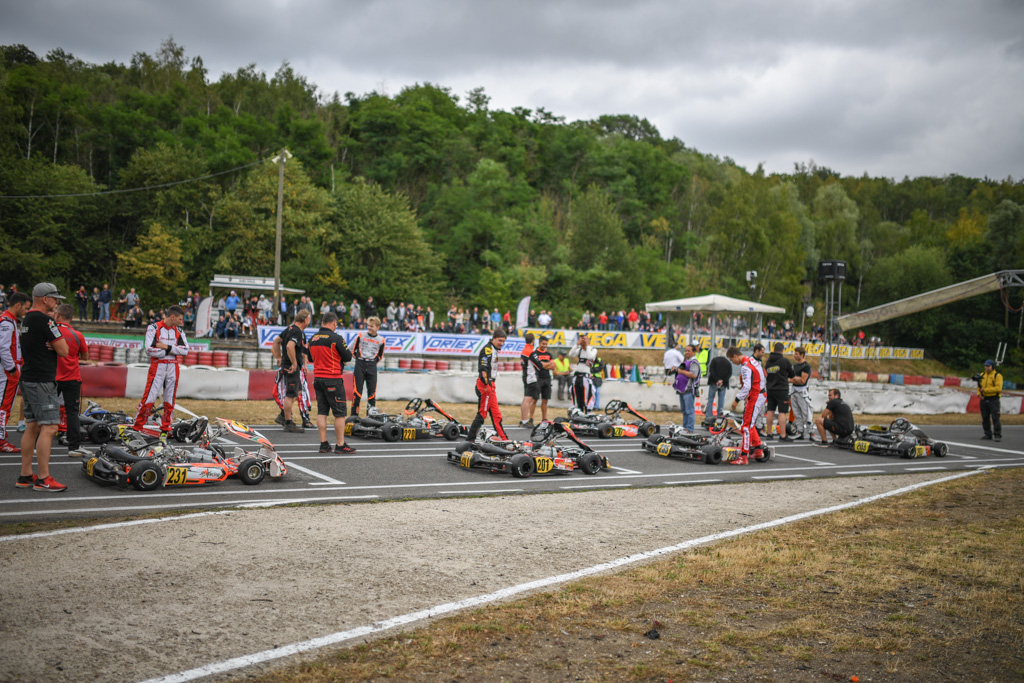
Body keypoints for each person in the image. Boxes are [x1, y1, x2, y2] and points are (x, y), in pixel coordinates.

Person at [17, 283, 70, 491]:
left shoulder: (27, 319)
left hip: (29, 376)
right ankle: (44, 478)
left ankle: (25, 474)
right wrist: (55, 342)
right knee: (49, 427)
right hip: (41, 380)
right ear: (45, 299)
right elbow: (64, 350)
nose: (57, 302)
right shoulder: (45, 320)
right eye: (55, 298)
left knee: (32, 426)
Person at [133, 305, 190, 434]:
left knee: (169, 401)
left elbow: (185, 350)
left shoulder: (179, 331)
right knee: (149, 399)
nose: (182, 322)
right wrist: (171, 351)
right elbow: (149, 349)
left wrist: (165, 347)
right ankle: (137, 427)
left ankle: (166, 428)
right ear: (173, 317)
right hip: (158, 366)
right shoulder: (153, 328)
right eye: (180, 319)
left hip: (173, 367)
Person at [308, 312, 356, 453]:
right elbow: (347, 356)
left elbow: (310, 358)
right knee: (340, 413)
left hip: (317, 379)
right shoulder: (336, 338)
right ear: (334, 323)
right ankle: (340, 445)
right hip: (333, 379)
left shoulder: (313, 339)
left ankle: (324, 444)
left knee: (322, 412)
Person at [54, 304, 90, 457]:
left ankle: (36, 444)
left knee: (44, 411)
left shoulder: (52, 332)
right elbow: (86, 357)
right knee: (73, 413)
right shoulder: (77, 335)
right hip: (72, 378)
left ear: (58, 315)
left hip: (53, 378)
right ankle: (74, 447)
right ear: (71, 317)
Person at [466, 327, 509, 442]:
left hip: (491, 385)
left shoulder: (494, 349)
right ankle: (469, 441)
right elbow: (483, 370)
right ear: (494, 339)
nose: (502, 343)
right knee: (482, 415)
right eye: (500, 340)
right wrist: (487, 385)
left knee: (496, 415)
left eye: (503, 341)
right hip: (485, 386)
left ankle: (504, 440)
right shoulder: (488, 350)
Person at [0, 291, 30, 453]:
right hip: (7, 371)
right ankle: (0, 440)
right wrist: (11, 369)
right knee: (4, 405)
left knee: (5, 404)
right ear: (17, 305)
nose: (26, 311)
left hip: (8, 369)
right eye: (25, 308)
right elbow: (3, 348)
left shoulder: (10, 320)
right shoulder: (6, 321)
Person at [272, 310, 311, 433]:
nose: (309, 321)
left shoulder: (289, 328)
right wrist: (294, 363)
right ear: (305, 320)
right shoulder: (297, 331)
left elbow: (276, 341)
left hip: (291, 366)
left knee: (297, 392)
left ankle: (283, 415)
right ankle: (288, 422)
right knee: (290, 395)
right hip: (291, 367)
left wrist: (279, 357)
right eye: (309, 319)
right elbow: (289, 346)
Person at [727, 346, 766, 466]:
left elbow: (747, 386)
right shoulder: (753, 361)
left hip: (755, 395)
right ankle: (758, 450)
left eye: (731, 360)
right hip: (760, 394)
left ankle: (744, 456)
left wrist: (737, 399)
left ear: (735, 356)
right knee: (751, 423)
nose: (732, 363)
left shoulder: (745, 367)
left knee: (745, 426)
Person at [351, 316, 385, 416]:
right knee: (357, 392)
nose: (369, 328)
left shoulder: (381, 340)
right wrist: (359, 359)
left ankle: (370, 416)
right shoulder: (361, 335)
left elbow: (380, 355)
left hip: (371, 366)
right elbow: (352, 350)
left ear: (377, 327)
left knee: (372, 394)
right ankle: (354, 416)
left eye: (372, 326)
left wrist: (372, 362)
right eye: (368, 326)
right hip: (360, 364)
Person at [763, 342, 793, 441]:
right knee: (782, 412)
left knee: (770, 410)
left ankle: (769, 434)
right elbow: (792, 374)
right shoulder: (784, 361)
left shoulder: (768, 362)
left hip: (770, 389)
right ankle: (783, 435)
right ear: (782, 350)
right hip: (781, 389)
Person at [527, 336, 555, 422]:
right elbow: (538, 366)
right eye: (543, 344)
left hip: (547, 379)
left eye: (546, 344)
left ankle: (544, 419)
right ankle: (531, 418)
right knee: (534, 399)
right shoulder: (535, 354)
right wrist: (546, 365)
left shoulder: (549, 354)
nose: (544, 345)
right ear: (539, 343)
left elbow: (553, 366)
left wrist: (542, 365)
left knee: (545, 400)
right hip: (537, 378)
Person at [568, 333, 597, 412]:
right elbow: (571, 354)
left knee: (586, 396)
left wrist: (586, 346)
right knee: (578, 396)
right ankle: (579, 411)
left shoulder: (592, 349)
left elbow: (590, 357)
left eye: (585, 339)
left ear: (589, 340)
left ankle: (587, 412)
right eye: (582, 339)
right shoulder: (579, 350)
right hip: (577, 376)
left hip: (585, 377)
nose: (583, 341)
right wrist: (577, 344)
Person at [789, 346, 813, 440]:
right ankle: (800, 432)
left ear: (802, 355)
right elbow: (789, 379)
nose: (794, 355)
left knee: (806, 413)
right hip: (794, 391)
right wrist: (795, 379)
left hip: (802, 392)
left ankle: (811, 432)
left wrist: (793, 379)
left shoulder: (806, 366)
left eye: (796, 354)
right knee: (797, 413)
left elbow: (802, 381)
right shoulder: (794, 366)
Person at [705, 348, 732, 426]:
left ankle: (708, 416)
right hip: (723, 384)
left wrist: (717, 380)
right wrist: (722, 380)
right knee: (721, 401)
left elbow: (711, 371)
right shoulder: (728, 363)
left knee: (710, 399)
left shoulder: (714, 360)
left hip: (713, 382)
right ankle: (720, 417)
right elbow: (729, 374)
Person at [978, 360, 1002, 442]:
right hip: (984, 399)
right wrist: (979, 394)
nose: (987, 368)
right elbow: (979, 386)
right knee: (985, 417)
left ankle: (997, 435)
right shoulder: (982, 375)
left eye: (988, 366)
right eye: (986, 366)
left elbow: (998, 388)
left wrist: (985, 390)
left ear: (992, 366)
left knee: (995, 417)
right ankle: (987, 434)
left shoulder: (997, 375)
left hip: (993, 399)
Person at [519, 333, 536, 427]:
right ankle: (524, 420)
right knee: (527, 398)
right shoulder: (529, 351)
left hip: (525, 374)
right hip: (529, 376)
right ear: (533, 341)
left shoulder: (524, 350)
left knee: (528, 398)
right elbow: (538, 365)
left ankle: (524, 420)